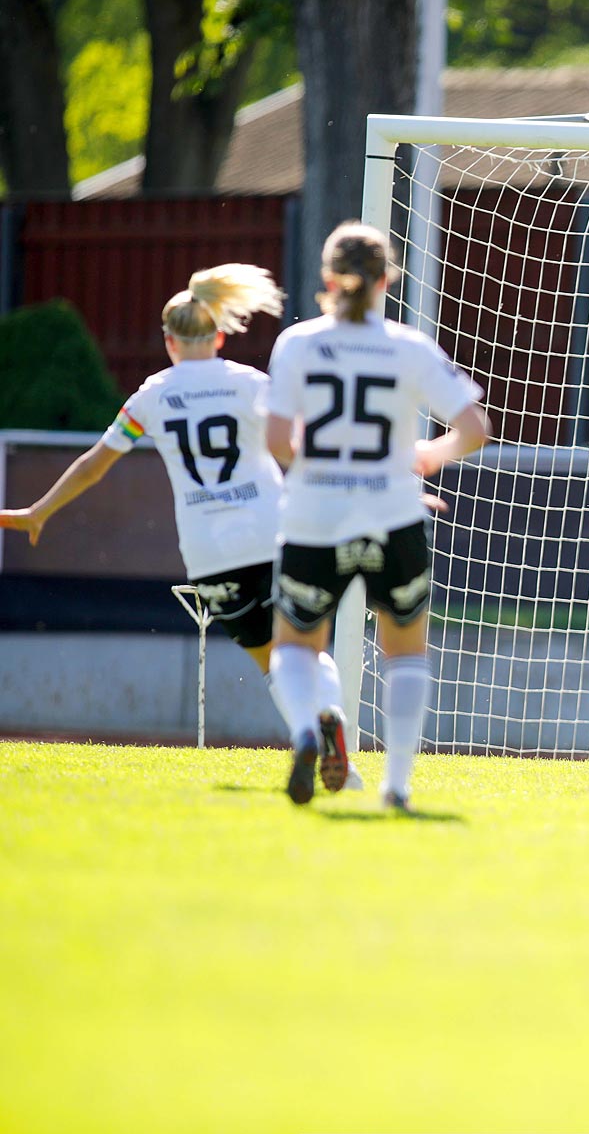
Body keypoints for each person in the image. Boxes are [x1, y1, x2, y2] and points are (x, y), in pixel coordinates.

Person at [0, 265, 359, 789]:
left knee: (271, 660)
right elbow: (304, 444)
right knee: (306, 649)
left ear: (168, 341)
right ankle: (327, 724)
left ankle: (306, 731)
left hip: (210, 552)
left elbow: (96, 463)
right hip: (275, 535)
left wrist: (40, 511)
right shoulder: (249, 383)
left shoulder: (152, 396)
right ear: (217, 335)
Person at [264, 221, 490, 812]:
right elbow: (474, 428)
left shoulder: (299, 343)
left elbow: (278, 441)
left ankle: (307, 732)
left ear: (327, 279)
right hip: (394, 515)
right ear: (387, 278)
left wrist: (326, 464)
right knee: (406, 651)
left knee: (294, 646)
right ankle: (397, 786)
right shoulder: (408, 347)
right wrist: (425, 458)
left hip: (315, 515)